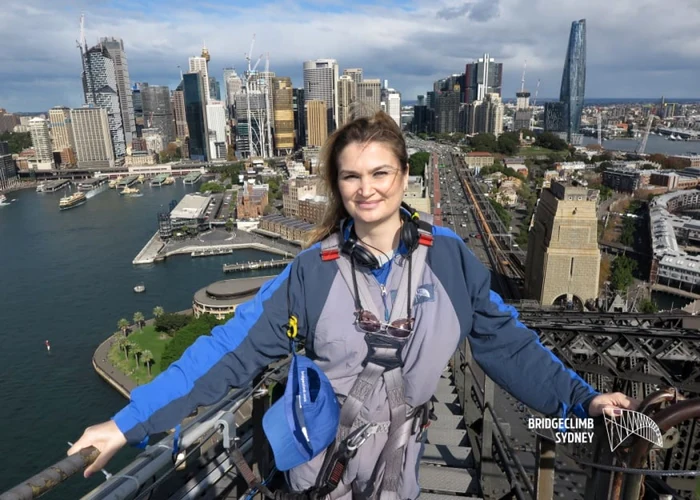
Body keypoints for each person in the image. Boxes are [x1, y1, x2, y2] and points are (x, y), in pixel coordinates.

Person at [69, 111, 638, 499]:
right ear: (337, 186)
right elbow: (228, 354)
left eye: (380, 173)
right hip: (319, 478)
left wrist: (583, 402)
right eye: (351, 177)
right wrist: (128, 422)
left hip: (399, 474)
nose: (367, 189)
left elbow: (507, 343)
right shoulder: (311, 274)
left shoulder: (450, 261)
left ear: (404, 176)